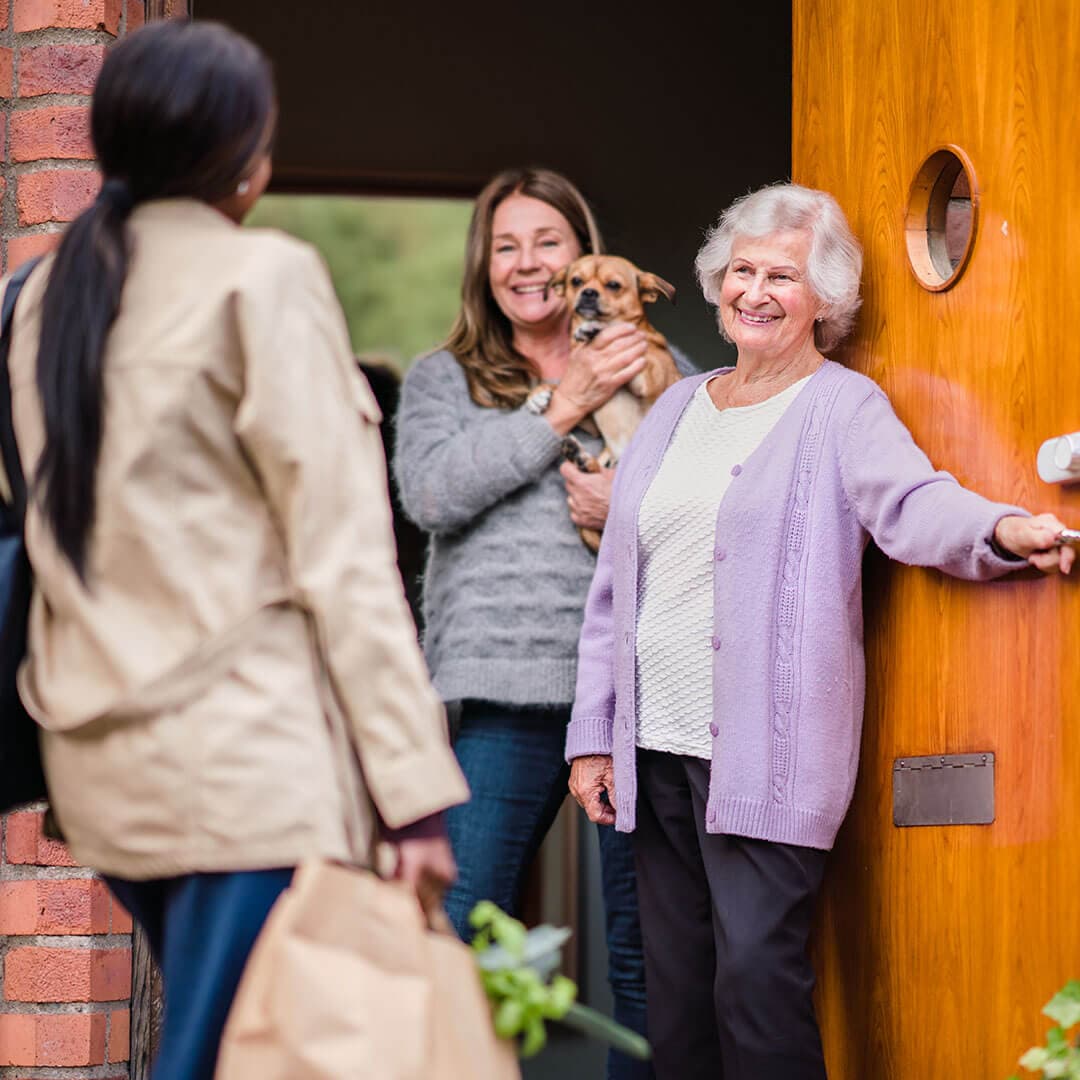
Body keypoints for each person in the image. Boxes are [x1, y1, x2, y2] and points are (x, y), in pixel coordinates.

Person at [3, 21, 467, 1079]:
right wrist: (416, 795)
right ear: (243, 159)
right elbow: (344, 557)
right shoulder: (262, 278)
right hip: (242, 767)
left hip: (102, 764)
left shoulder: (42, 300)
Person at [565, 182, 1074, 1080]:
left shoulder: (842, 408)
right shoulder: (674, 410)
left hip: (771, 754)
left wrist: (1002, 529)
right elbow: (613, 592)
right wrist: (593, 739)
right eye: (743, 271)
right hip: (653, 749)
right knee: (677, 1002)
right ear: (718, 283)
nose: (755, 292)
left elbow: (911, 504)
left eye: (784, 277)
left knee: (757, 990)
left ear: (825, 301)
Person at [393, 166, 694, 1080]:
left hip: (637, 697)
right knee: (462, 936)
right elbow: (433, 494)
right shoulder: (443, 377)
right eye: (506, 245)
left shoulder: (657, 367)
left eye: (548, 243)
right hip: (506, 689)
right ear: (484, 264)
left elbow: (713, 514)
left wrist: (625, 514)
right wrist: (556, 407)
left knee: (647, 957)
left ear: (583, 257)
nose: (528, 264)